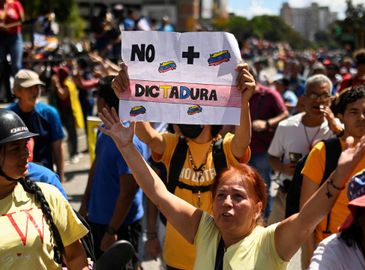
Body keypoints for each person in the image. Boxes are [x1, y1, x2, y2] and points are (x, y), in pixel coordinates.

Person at [98, 98, 365, 269]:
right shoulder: (205, 229)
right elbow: (157, 192)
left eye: (237, 196)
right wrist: (127, 147)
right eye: (220, 194)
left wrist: (339, 175)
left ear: (259, 207)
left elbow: (309, 217)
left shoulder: (272, 243)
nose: (226, 202)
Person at [112, 63, 254, 269]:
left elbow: (243, 141)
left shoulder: (225, 147)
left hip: (215, 257)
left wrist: (244, 102)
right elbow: (148, 136)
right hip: (175, 257)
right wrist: (130, 97)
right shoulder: (173, 145)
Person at [0, 108, 88, 269]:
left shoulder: (49, 195)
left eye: (25, 145)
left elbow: (76, 258)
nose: (26, 153)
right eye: (15, 148)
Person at [300, 85, 365, 266]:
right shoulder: (322, 152)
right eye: (354, 112)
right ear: (341, 116)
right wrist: (308, 262)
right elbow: (306, 216)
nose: (362, 118)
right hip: (330, 250)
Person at [79, 76, 148, 268]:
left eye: (98, 97)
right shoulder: (106, 130)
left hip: (120, 227)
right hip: (98, 222)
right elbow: (95, 168)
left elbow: (128, 192)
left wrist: (111, 231)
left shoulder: (128, 140)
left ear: (103, 101)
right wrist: (85, 205)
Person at [268, 74, 342, 225]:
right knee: (274, 243)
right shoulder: (286, 126)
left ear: (331, 99)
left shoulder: (337, 128)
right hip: (286, 197)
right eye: (313, 95)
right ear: (303, 98)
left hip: (322, 201)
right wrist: (283, 168)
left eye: (324, 95)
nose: (319, 100)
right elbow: (272, 157)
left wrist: (336, 127)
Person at [8, 69, 66, 182]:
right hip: (15, 179)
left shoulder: (49, 113)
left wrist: (60, 177)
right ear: (17, 91)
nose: (35, 92)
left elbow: (58, 147)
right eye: (29, 88)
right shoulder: (9, 116)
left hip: (44, 178)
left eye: (37, 87)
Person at [249, 75, 289, 218]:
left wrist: (267, 124)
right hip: (242, 150)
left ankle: (264, 219)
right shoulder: (237, 93)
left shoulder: (270, 94)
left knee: (263, 185)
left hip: (263, 150)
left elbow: (285, 114)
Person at [52, 65, 84, 164]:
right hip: (62, 111)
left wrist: (56, 84)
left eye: (57, 73)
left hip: (68, 112)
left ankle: (74, 154)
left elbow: (63, 96)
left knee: (72, 134)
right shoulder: (67, 82)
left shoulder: (66, 84)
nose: (55, 75)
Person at [0, 0, 24, 75]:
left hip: (15, 38)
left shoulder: (15, 4)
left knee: (16, 66)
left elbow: (22, 21)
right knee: (1, 66)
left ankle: (18, 85)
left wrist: (9, 26)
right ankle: (6, 85)